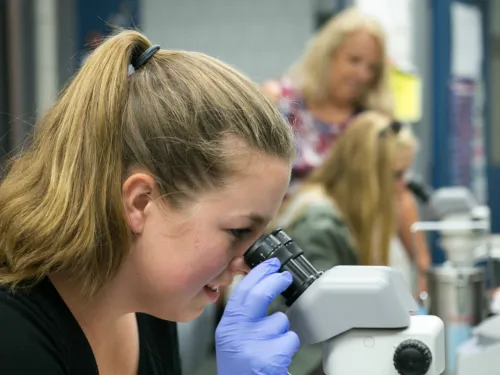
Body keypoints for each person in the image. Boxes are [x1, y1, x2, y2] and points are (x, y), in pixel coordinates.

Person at [0, 30, 300, 375]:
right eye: (239, 231)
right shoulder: (12, 338)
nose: (247, 264)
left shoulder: (146, 305)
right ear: (141, 202)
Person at [262, 7, 429, 295]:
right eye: (354, 60)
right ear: (328, 55)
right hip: (287, 240)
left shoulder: (374, 120)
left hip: (350, 245)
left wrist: (424, 269)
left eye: (372, 67)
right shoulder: (282, 105)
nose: (363, 74)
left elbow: (398, 193)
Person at [269, 111, 417, 375]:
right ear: (369, 174)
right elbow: (324, 323)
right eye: (396, 175)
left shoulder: (348, 214)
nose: (402, 186)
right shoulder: (318, 223)